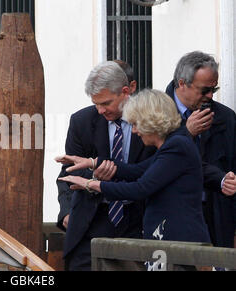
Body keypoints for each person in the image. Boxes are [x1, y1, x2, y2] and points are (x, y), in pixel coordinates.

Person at [58, 89, 212, 249]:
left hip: (181, 242)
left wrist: (91, 184)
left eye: (136, 124)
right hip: (169, 241)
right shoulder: (171, 145)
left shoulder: (177, 146)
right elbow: (136, 170)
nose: (134, 131)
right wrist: (92, 162)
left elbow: (140, 188)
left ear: (152, 121)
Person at [55, 61, 156, 271]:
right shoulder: (81, 121)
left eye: (106, 103)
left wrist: (117, 171)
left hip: (138, 220)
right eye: (96, 104)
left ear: (126, 91)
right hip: (92, 220)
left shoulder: (151, 120)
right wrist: (66, 213)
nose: (100, 110)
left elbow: (156, 167)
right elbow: (67, 172)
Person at [165, 51, 236, 248]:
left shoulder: (225, 117)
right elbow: (151, 162)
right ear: (182, 84)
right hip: (172, 214)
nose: (210, 96)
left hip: (216, 215)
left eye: (214, 89)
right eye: (204, 90)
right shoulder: (156, 111)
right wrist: (186, 133)